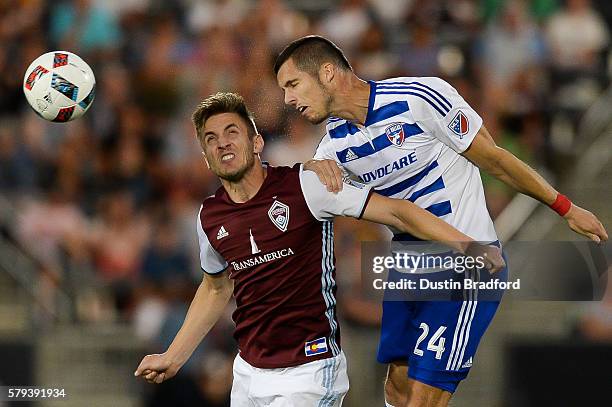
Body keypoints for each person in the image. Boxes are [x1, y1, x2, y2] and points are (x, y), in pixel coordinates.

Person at [274, 35, 608, 407]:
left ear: (328, 73)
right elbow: (304, 201)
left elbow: (494, 159)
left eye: (292, 85)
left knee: (423, 399)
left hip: (468, 262)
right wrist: (308, 167)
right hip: (407, 265)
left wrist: (565, 207)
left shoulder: (419, 98)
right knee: (396, 391)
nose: (288, 99)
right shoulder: (332, 147)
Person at [134, 92, 504, 406]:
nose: (222, 143)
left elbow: (397, 211)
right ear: (205, 155)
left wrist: (468, 245)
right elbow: (216, 287)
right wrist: (174, 355)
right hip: (248, 371)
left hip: (309, 370)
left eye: (232, 132)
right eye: (211, 139)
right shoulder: (209, 216)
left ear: (256, 141)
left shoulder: (306, 186)